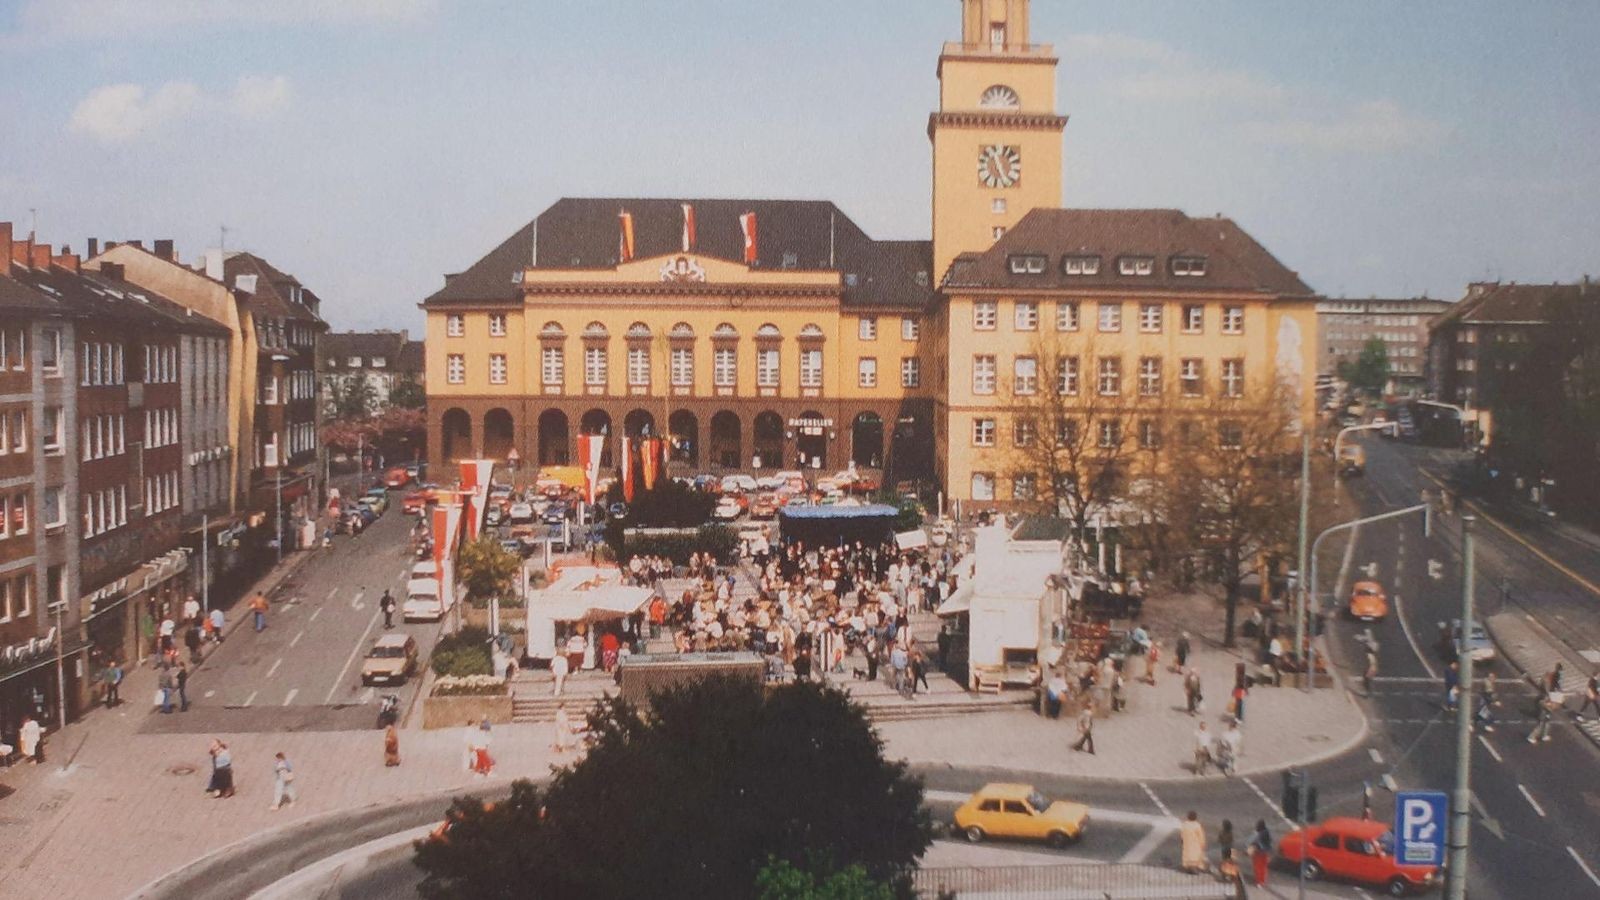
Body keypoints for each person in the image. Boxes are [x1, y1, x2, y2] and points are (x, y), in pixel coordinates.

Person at [1248, 820, 1272, 887]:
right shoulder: (1267, 832)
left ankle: (1259, 881)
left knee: (1258, 867)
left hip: (1258, 853)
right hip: (1265, 852)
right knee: (1263, 867)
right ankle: (1262, 880)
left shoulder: (1257, 833)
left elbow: (1252, 842)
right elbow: (1269, 842)